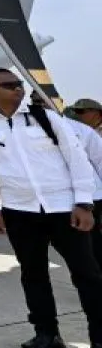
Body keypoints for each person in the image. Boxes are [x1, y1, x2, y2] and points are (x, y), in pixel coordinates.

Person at [0, 69, 102, 348]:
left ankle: (100, 340)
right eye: (9, 85)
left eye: (19, 84)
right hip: (19, 211)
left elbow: (76, 158)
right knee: (33, 274)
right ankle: (46, 333)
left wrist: (83, 203)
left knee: (88, 274)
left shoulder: (46, 118)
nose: (17, 89)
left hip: (63, 207)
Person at [65, 98, 102, 270]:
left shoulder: (91, 133)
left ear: (96, 113)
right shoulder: (81, 130)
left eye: (81, 112)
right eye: (75, 112)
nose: (76, 116)